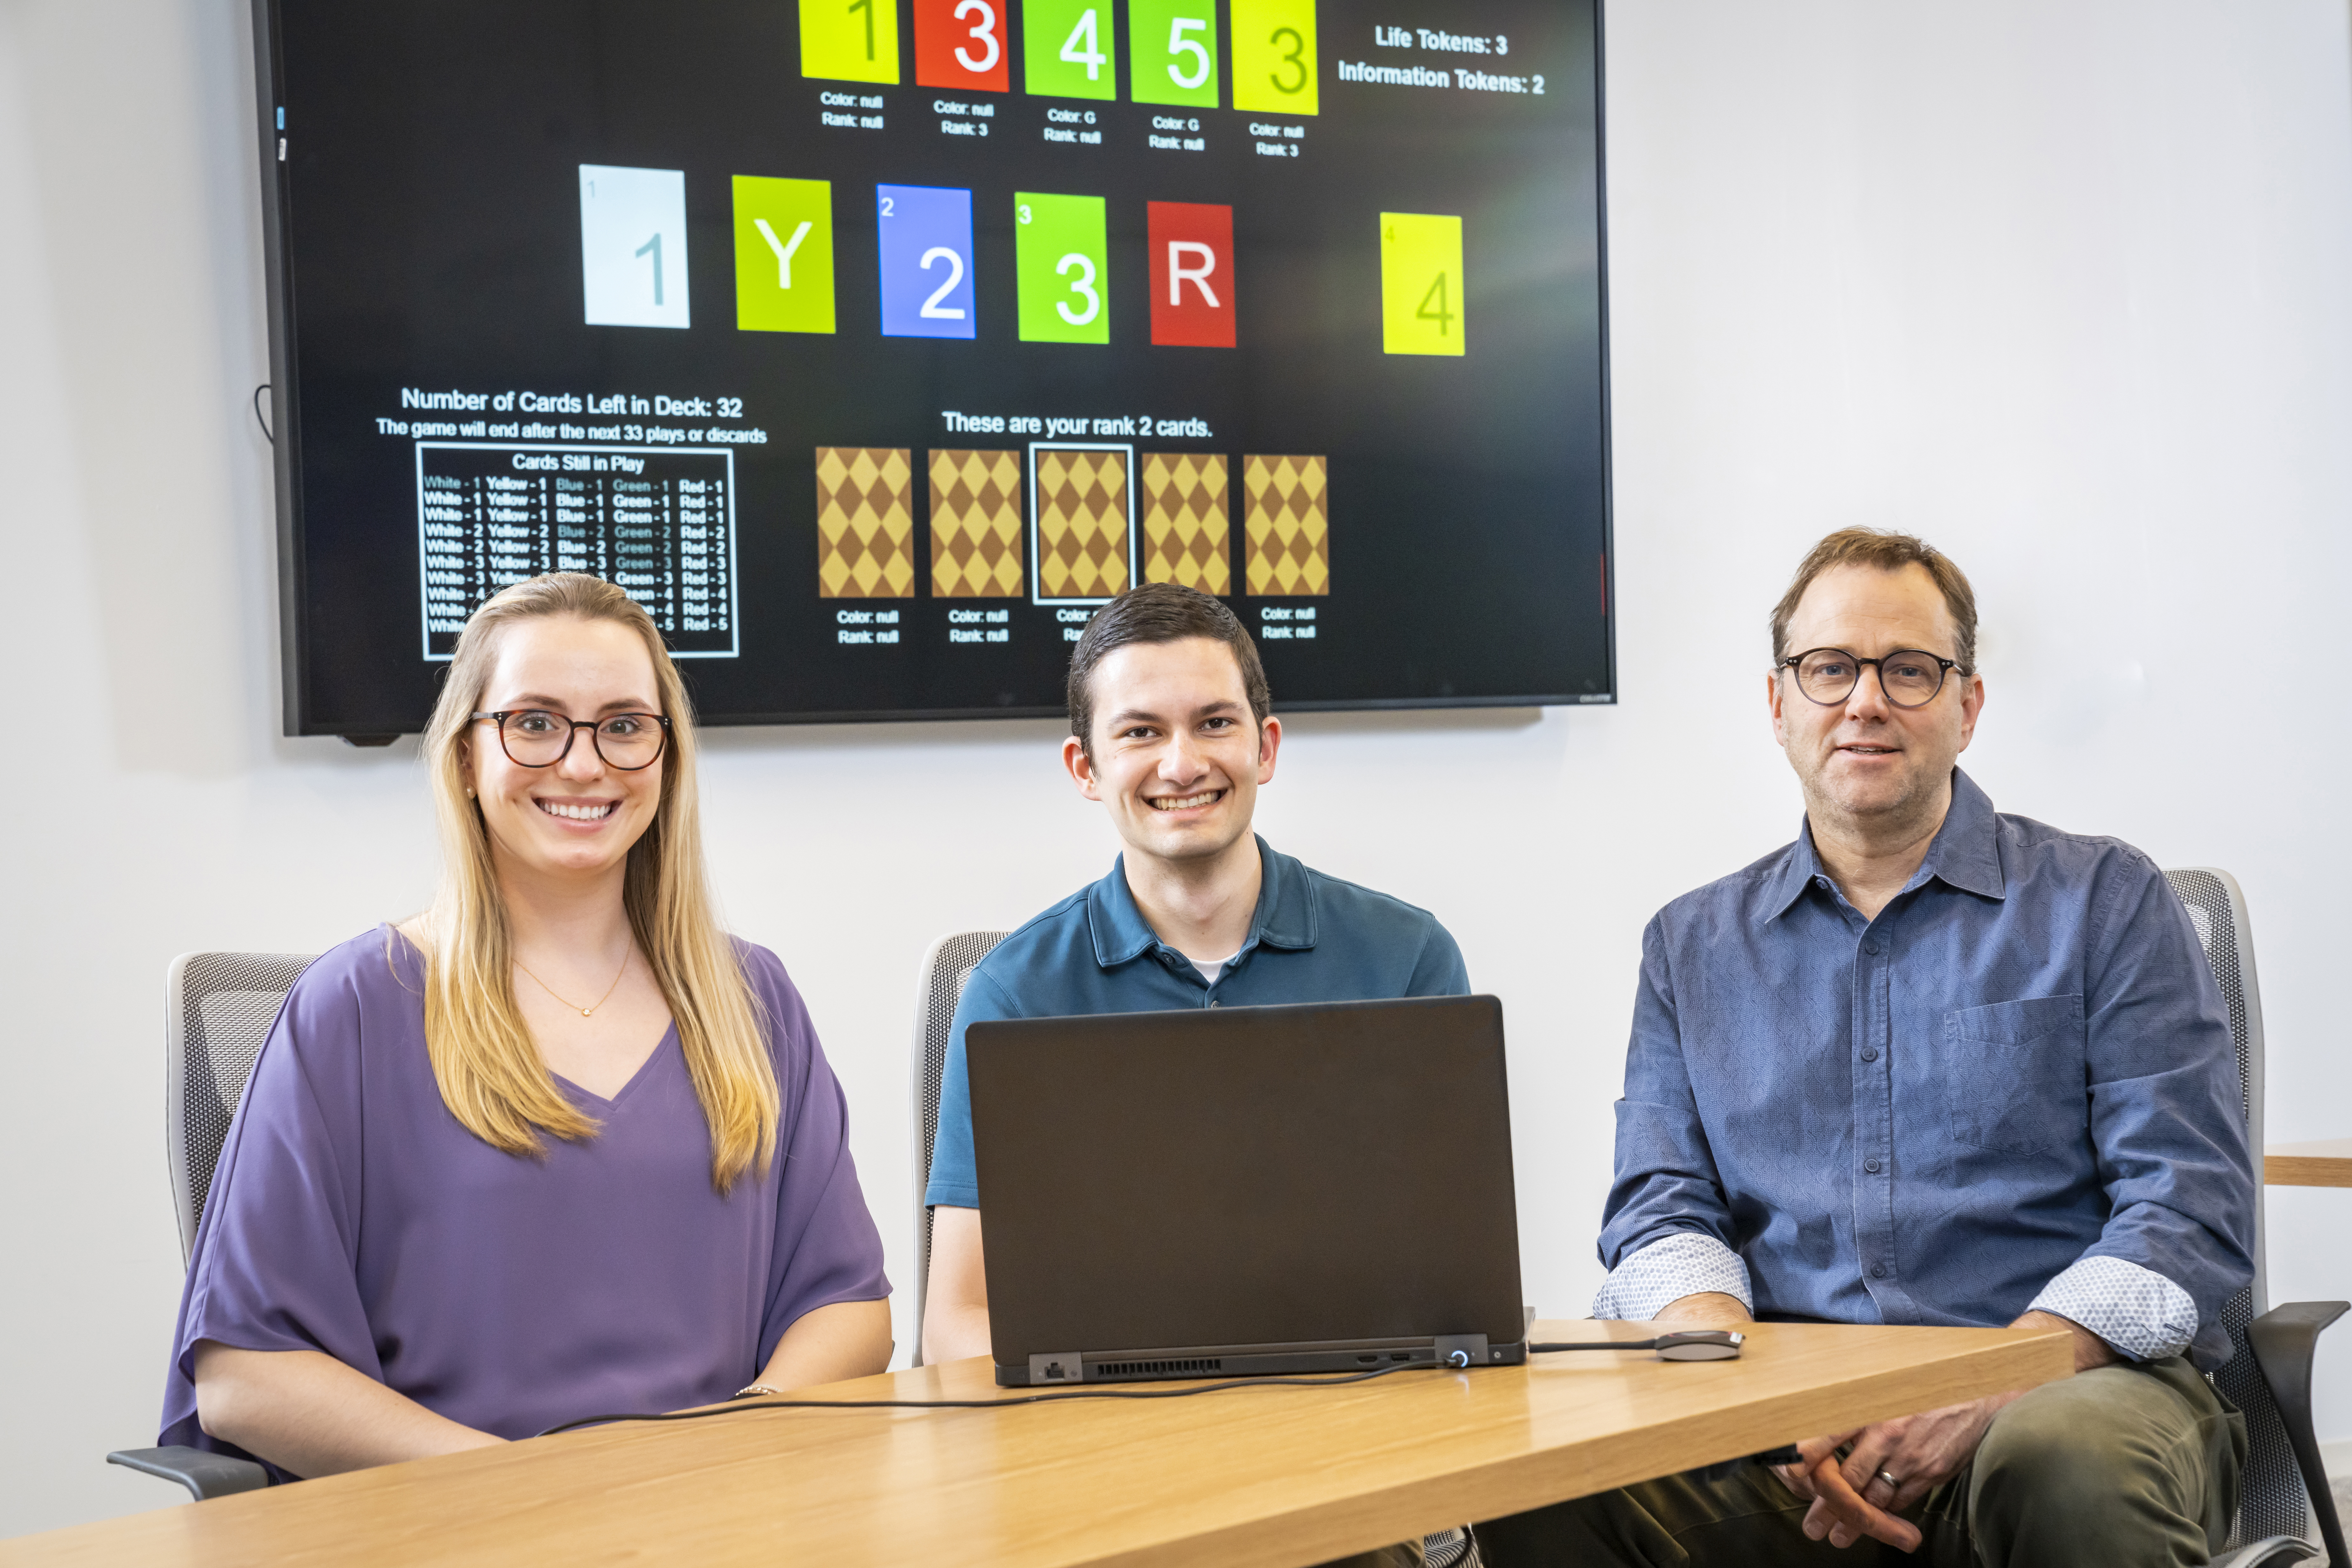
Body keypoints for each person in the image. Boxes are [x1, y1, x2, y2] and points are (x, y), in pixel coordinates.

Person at [1477, 530, 2256, 1567]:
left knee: (2061, 1460)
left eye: (1910, 670)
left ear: (1968, 706)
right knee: (1545, 1471)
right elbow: (1660, 1205)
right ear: (1779, 703)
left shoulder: (2106, 901)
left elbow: (2188, 1202)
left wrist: (1994, 1377)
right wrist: (1741, 1382)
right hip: (1790, 1430)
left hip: (2069, 1385)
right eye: (1830, 668)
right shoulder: (1690, 945)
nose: (1865, 700)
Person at [159, 573, 891, 1478]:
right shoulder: (351, 1007)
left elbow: (847, 1307)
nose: (584, 764)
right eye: (535, 722)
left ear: (666, 757)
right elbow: (246, 1377)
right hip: (459, 1522)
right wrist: (523, 1491)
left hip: (713, 1514)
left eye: (625, 725)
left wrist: (734, 1449)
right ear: (466, 757)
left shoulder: (750, 996)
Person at [919, 582, 1474, 1568]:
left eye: (1214, 723)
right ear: (1086, 768)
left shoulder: (1407, 958)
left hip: (1347, 1481)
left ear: (1264, 746)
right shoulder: (1008, 993)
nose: (1182, 762)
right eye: (1140, 732)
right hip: (1106, 1490)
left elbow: (1452, 1301)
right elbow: (957, 1323)